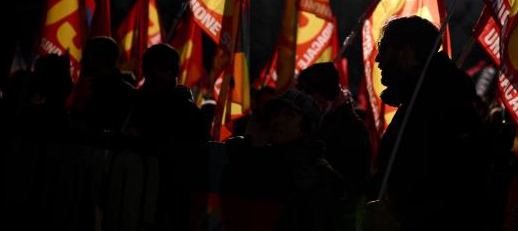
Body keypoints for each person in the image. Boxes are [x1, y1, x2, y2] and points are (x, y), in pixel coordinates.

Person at [365, 16, 492, 230]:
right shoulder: (419, 99)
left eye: (384, 47)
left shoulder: (443, 103)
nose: (378, 59)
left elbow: (457, 188)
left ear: (409, 53)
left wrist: (399, 221)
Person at [220, 89, 344, 230]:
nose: (278, 120)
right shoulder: (259, 158)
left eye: (288, 115)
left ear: (306, 125)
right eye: (276, 114)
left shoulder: (318, 173)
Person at [297, 62, 371, 230]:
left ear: (321, 94)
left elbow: (353, 180)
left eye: (306, 92)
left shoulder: (350, 128)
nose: (303, 98)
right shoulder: (315, 120)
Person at [126, 43, 208, 142]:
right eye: (161, 68)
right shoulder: (128, 102)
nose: (164, 75)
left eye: (170, 69)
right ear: (146, 71)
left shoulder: (187, 111)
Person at [69, 36, 134, 134]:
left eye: (87, 56)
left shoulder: (117, 96)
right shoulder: (123, 92)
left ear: (102, 59)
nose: (81, 61)